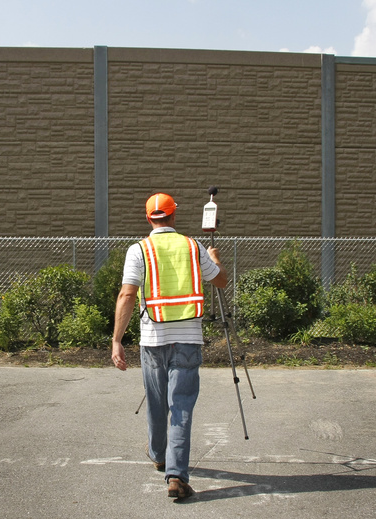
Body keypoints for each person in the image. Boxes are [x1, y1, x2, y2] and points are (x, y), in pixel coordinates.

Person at [111, 192, 228, 500]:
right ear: (174, 216)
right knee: (181, 406)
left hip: (152, 341)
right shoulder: (194, 247)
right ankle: (176, 475)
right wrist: (215, 260)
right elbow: (221, 281)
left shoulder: (139, 250)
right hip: (188, 341)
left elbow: (126, 295)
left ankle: (159, 455)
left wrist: (117, 340)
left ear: (149, 218)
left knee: (157, 402)